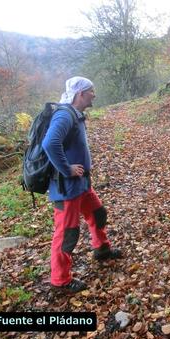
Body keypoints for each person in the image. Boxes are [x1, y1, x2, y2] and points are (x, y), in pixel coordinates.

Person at [42, 76, 122, 293]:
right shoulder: (64, 115)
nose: (94, 94)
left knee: (98, 213)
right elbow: (49, 143)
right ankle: (60, 281)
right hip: (67, 188)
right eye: (91, 91)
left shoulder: (75, 115)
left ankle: (102, 249)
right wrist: (67, 168)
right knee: (67, 232)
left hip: (82, 184)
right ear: (80, 94)